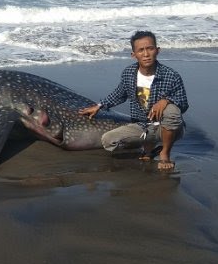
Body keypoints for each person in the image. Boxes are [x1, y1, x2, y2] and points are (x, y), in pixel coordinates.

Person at [79, 31, 188, 170]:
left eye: (150, 48)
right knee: (108, 140)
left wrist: (166, 100)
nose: (146, 54)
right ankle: (149, 148)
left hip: (168, 127)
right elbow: (119, 94)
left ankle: (165, 153)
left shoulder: (171, 75)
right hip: (143, 126)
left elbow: (183, 104)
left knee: (172, 110)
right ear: (133, 54)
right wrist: (99, 106)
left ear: (157, 50)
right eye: (141, 50)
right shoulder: (129, 74)